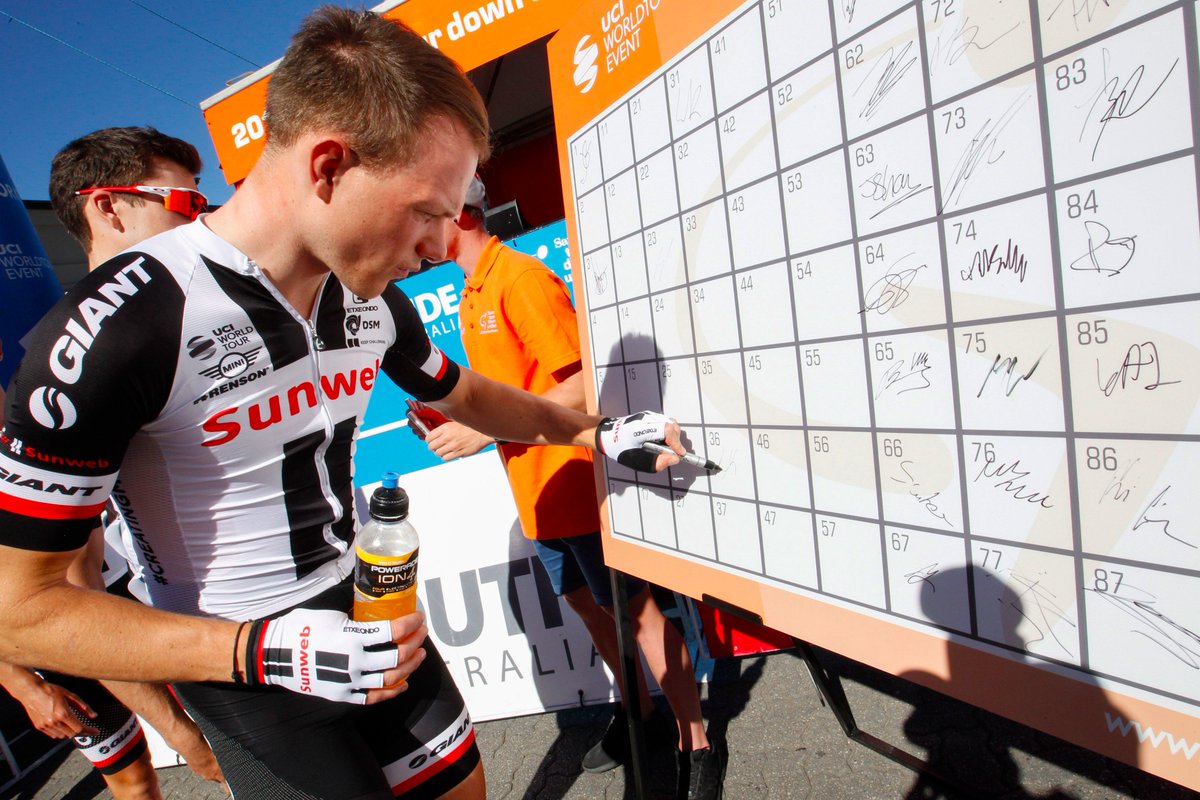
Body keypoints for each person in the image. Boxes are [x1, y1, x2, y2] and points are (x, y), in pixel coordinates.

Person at [0, 8, 685, 800]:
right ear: (327, 166)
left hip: (370, 615)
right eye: (427, 211)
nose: (438, 244)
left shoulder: (369, 302)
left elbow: (472, 396)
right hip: (241, 668)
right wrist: (259, 650)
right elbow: (22, 613)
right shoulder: (118, 329)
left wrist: (595, 432)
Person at [412, 177, 725, 799]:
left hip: (579, 485)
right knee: (587, 606)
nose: (414, 233)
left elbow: (585, 384)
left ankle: (699, 743)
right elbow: (515, 389)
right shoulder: (474, 290)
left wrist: (482, 432)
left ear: (458, 212)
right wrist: (465, 421)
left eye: (423, 214)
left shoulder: (521, 278)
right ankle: (641, 716)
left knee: (639, 614)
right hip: (538, 495)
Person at [0, 126, 224, 800]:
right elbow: (67, 600)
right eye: (186, 204)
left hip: (126, 593)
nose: (202, 217)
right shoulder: (63, 361)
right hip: (70, 625)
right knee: (134, 781)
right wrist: (22, 681)